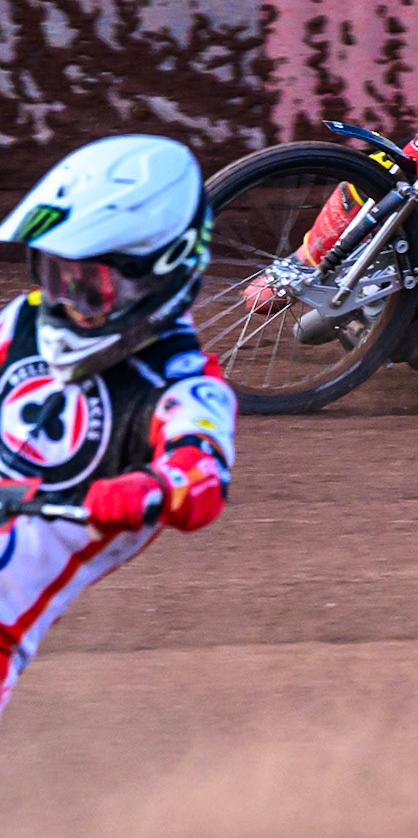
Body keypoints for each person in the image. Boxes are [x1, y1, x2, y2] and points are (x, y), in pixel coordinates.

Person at [0, 135, 233, 721]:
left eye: (90, 284)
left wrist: (148, 489)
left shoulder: (185, 385)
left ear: (157, 278)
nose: (67, 301)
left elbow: (201, 473)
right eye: (57, 276)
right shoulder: (23, 320)